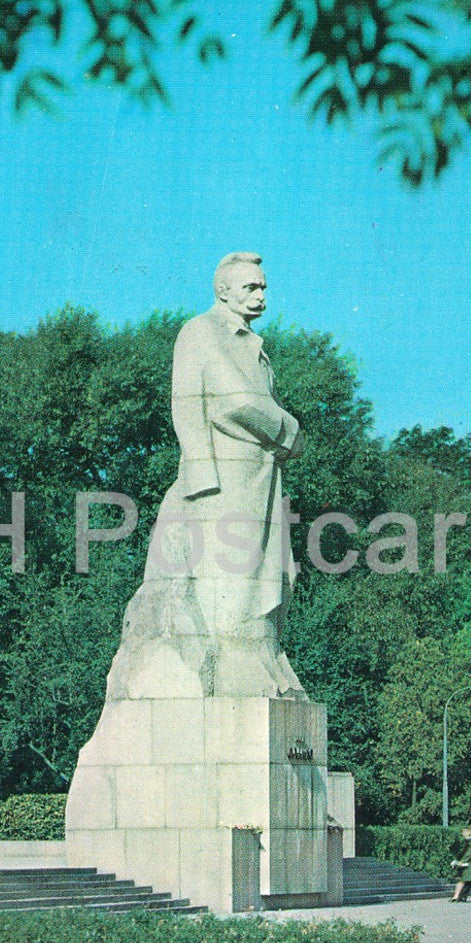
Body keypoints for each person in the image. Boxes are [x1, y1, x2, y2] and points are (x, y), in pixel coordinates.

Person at [106, 251, 307, 700]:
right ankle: (239, 666)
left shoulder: (251, 343)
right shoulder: (202, 332)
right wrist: (289, 429)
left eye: (263, 286)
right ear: (223, 290)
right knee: (232, 572)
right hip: (223, 478)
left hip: (262, 476)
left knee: (272, 574)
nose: (261, 295)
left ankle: (262, 660)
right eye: (250, 287)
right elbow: (231, 400)